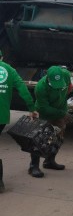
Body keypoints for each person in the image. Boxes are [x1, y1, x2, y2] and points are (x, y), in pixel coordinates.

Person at [0, 50, 39, 191]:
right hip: (1, 116)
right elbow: (22, 89)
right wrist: (31, 107)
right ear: (2, 57)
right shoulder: (9, 70)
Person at [31, 65, 72, 178]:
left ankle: (49, 161)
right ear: (47, 78)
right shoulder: (40, 87)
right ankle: (33, 166)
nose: (58, 88)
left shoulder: (66, 75)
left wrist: (63, 109)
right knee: (39, 140)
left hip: (59, 111)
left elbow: (69, 87)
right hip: (43, 113)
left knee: (58, 137)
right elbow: (44, 108)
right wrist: (63, 113)